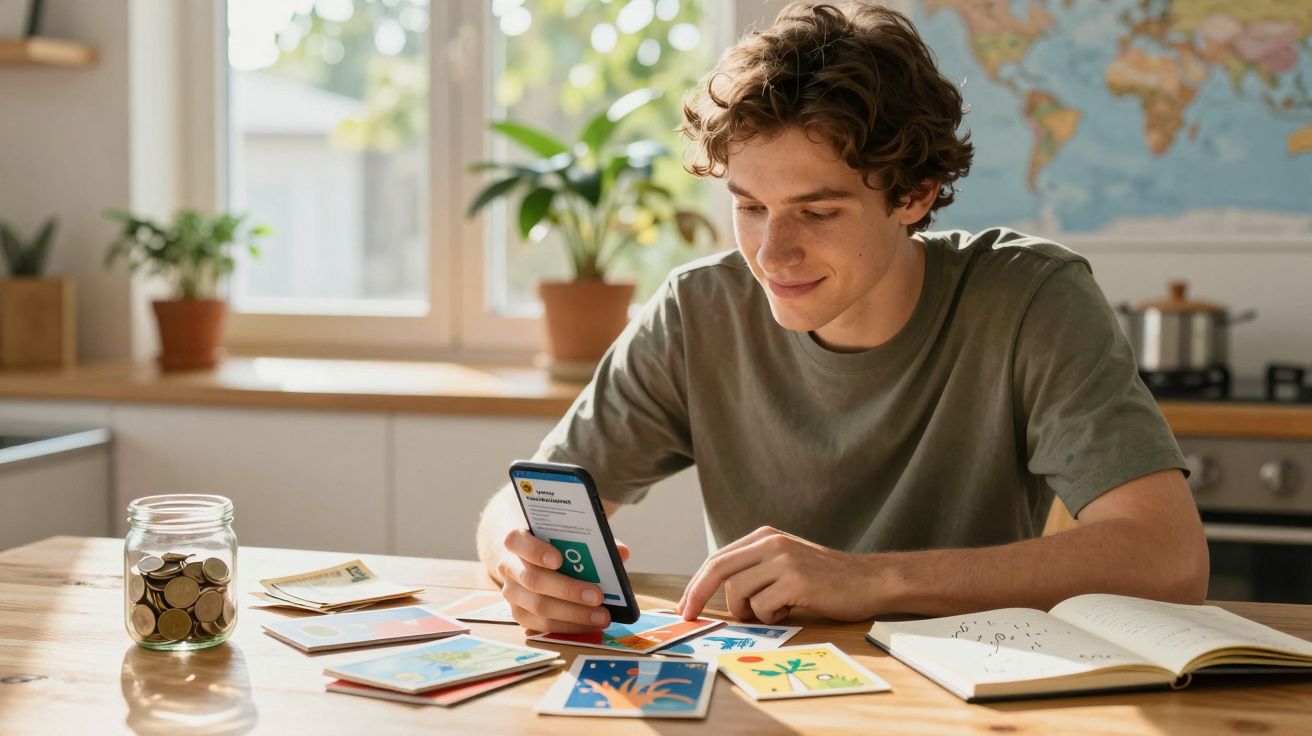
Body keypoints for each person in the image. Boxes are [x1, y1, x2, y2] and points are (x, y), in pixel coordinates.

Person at [475, 1, 1208, 633]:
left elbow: (1169, 558)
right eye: (749, 207)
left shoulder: (1030, 299)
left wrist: (873, 581)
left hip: (969, 700)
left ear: (915, 195)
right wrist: (518, 558)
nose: (771, 252)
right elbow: (527, 498)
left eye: (817, 212)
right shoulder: (699, 310)